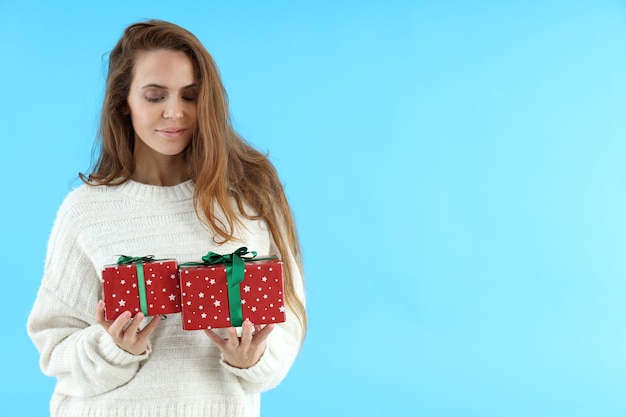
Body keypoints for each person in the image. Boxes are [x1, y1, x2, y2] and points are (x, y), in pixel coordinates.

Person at [27, 19, 306, 417]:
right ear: (124, 101)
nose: (174, 112)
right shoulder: (86, 211)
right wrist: (116, 349)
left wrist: (252, 359)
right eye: (155, 96)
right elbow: (54, 344)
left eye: (190, 96)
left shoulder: (249, 199)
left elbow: (287, 327)